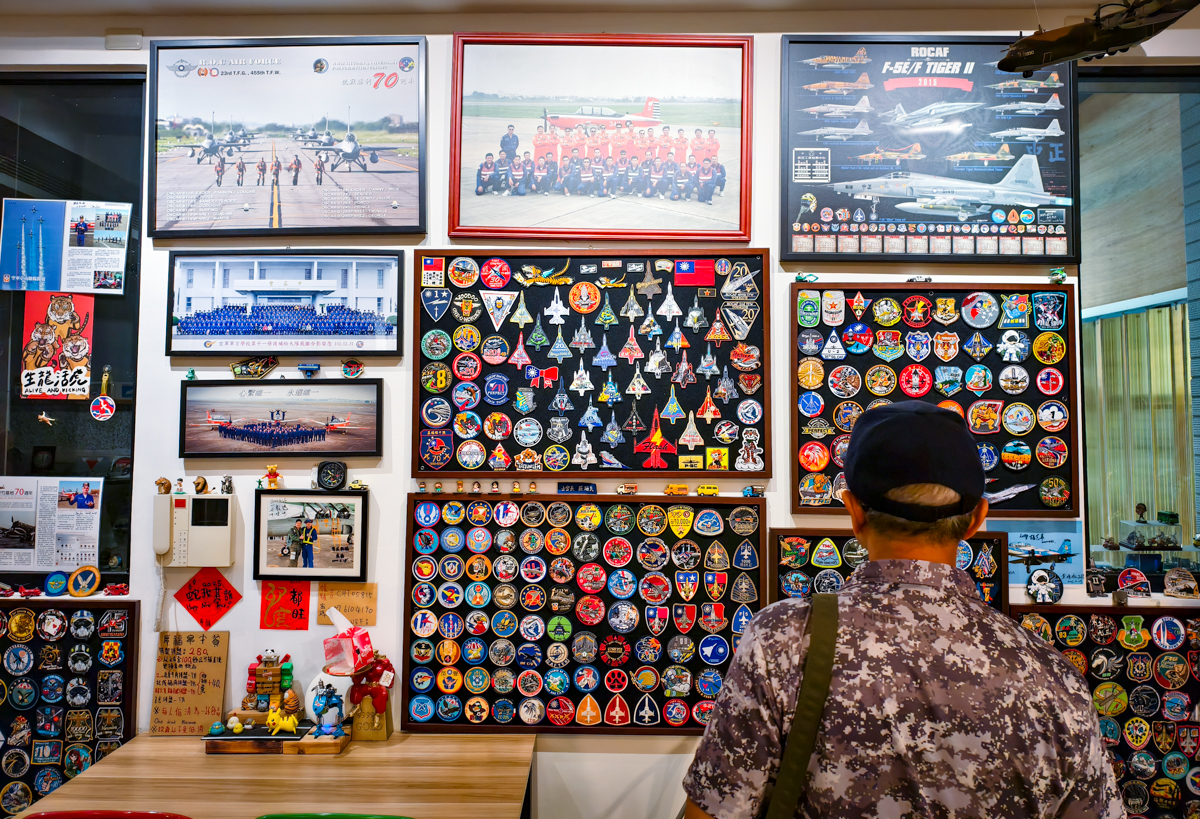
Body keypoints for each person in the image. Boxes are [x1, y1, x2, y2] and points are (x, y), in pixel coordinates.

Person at [682, 401, 1122, 819]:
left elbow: (716, 809)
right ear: (976, 519)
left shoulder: (782, 641)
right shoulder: (1052, 676)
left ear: (854, 512)